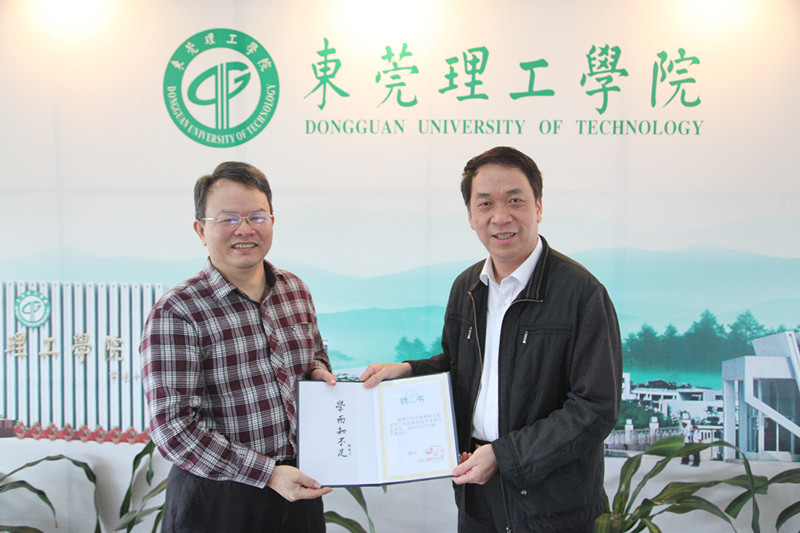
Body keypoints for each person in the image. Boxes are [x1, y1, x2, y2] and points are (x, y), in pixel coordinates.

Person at [360, 146, 622, 532]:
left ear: (538, 207)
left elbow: (595, 408)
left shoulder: (582, 293)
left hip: (553, 501)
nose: (500, 217)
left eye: (515, 200)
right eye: (485, 204)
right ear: (471, 216)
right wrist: (408, 370)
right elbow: (459, 367)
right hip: (477, 490)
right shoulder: (467, 287)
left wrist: (504, 455)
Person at [140, 161, 337, 533]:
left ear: (272, 222)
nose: (245, 229)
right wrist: (268, 473)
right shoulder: (178, 311)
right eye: (228, 219)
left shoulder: (295, 290)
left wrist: (317, 370)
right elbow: (174, 429)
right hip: (217, 499)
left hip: (297, 488)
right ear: (201, 230)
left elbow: (314, 355)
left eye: (257, 217)